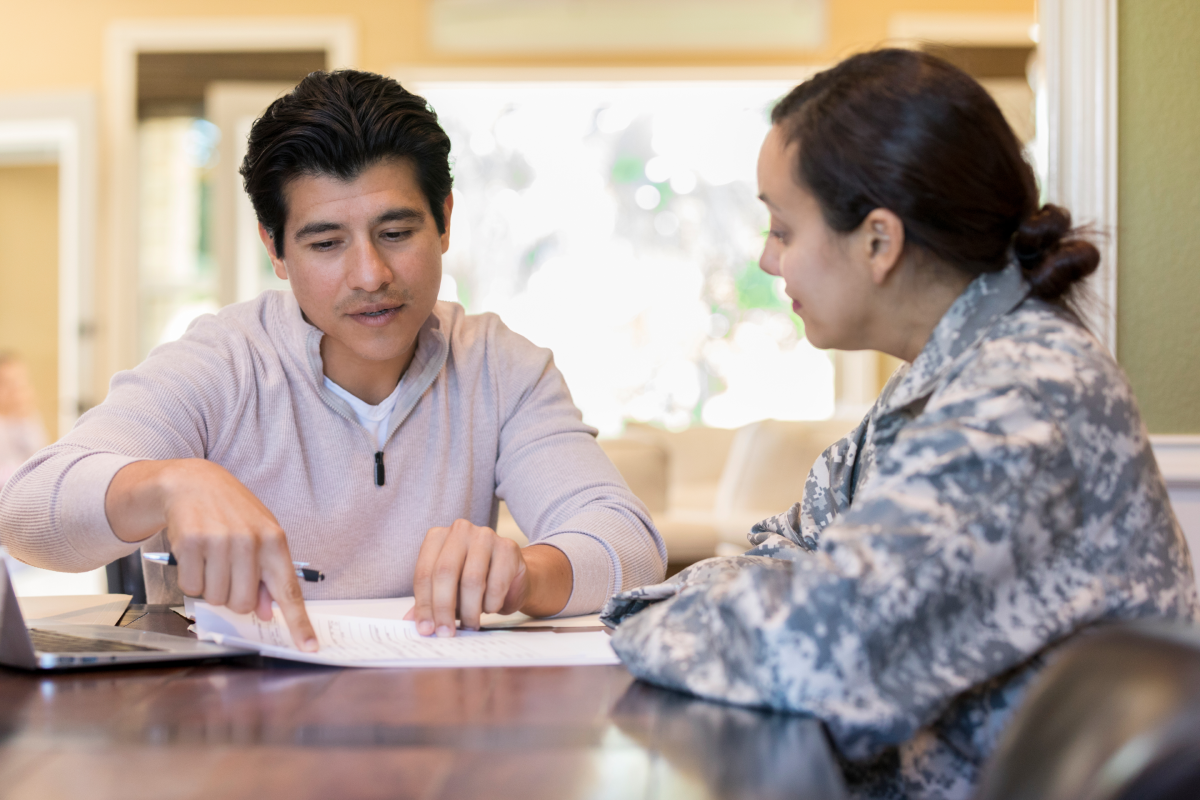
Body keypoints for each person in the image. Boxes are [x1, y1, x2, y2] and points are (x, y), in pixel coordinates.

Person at [601, 49, 1197, 800]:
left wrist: (644, 612)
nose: (767, 257)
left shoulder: (1027, 398)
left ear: (879, 241)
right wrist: (746, 600)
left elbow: (824, 656)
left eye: (783, 229)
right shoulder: (939, 385)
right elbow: (788, 550)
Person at [0, 70, 666, 651]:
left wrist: (526, 573)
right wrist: (167, 482)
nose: (370, 275)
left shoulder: (500, 368)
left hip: (435, 725)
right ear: (276, 249)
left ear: (445, 220)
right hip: (238, 729)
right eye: (325, 243)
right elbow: (27, 512)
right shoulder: (222, 362)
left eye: (396, 233)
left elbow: (630, 547)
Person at [0, 353, 47, 486]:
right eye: (7, 383)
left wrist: (25, 419)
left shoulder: (29, 418)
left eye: (20, 382)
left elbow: (39, 458)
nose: (15, 390)